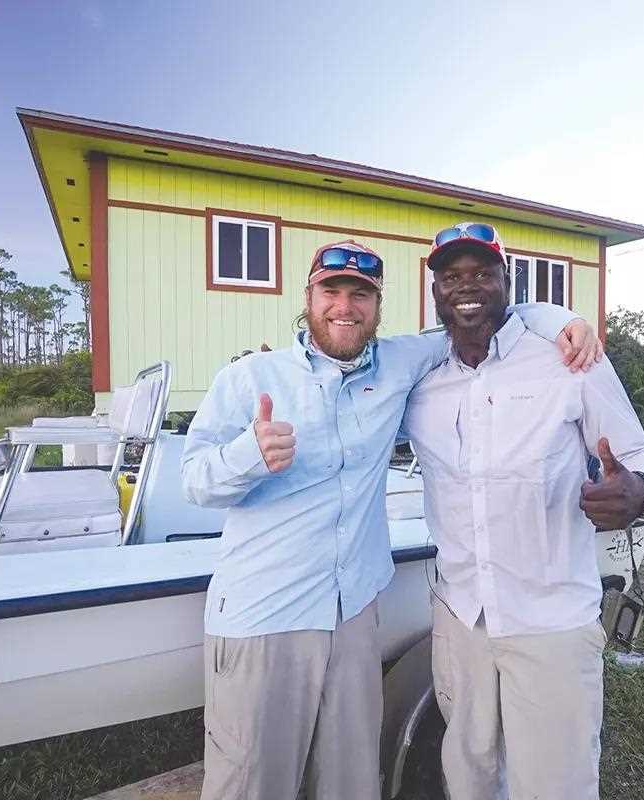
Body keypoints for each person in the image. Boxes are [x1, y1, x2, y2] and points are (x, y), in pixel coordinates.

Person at [180, 238, 603, 800]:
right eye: (331, 291)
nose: (345, 306)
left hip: (354, 616)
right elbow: (194, 481)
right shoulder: (250, 377)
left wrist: (561, 319)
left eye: (361, 295)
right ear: (308, 298)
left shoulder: (403, 362)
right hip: (265, 615)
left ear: (378, 306)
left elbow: (477, 312)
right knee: (251, 782)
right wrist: (247, 455)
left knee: (352, 782)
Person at [401, 222, 644, 800]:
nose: (466, 286)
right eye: (451, 276)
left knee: (556, 784)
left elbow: (639, 453)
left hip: (551, 619)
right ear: (435, 290)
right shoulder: (420, 378)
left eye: (482, 273)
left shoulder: (568, 360)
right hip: (461, 618)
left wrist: (640, 493)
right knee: (469, 777)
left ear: (508, 282)